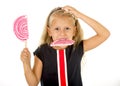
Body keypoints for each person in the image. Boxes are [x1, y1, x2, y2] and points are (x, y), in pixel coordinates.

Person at [20, 5, 110, 86]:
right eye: (57, 29)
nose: (62, 33)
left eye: (67, 28)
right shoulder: (42, 51)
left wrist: (80, 15)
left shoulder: (78, 47)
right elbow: (33, 83)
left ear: (74, 31)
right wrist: (26, 63)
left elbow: (104, 34)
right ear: (49, 31)